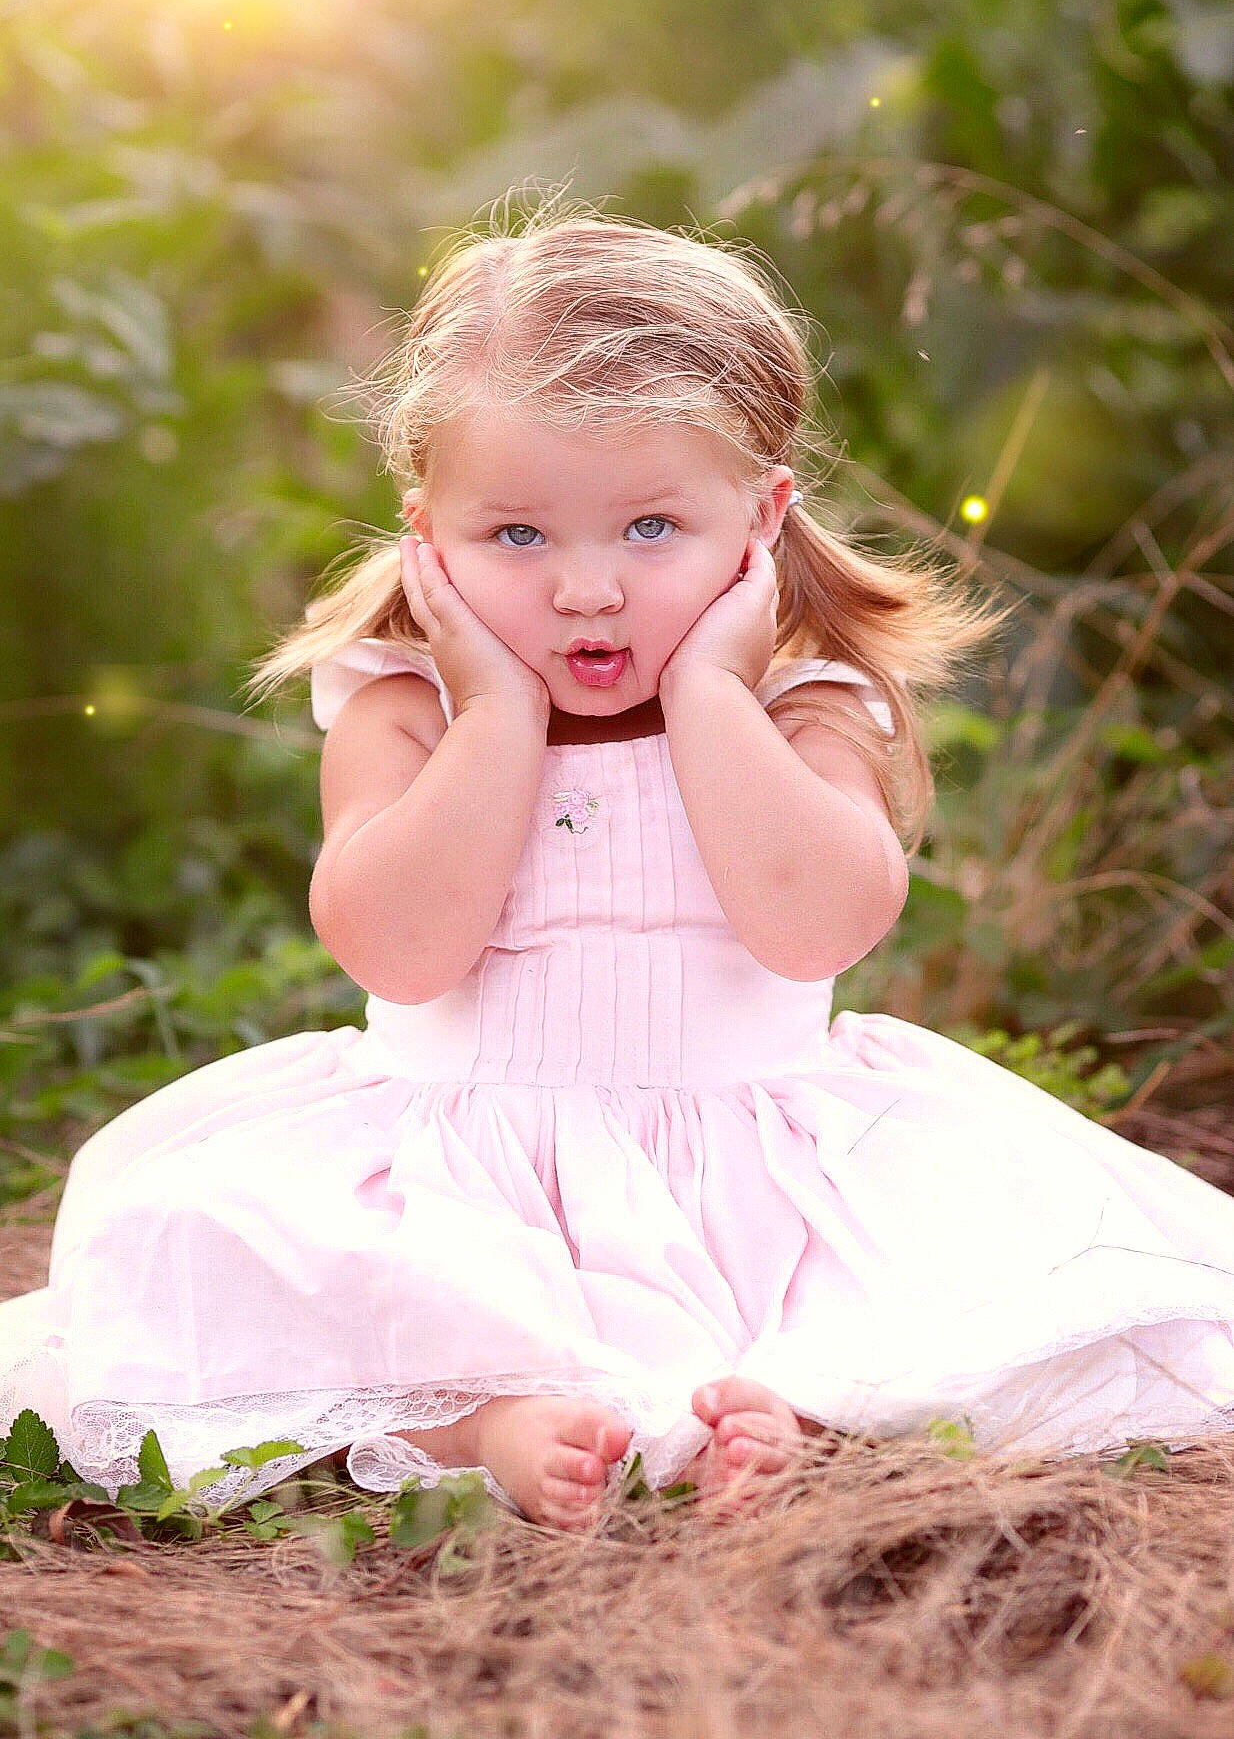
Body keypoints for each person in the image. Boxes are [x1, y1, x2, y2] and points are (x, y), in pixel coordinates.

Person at [3, 199, 1234, 1533]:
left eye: (650, 529)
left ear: (761, 520)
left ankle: (790, 1405)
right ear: (427, 534)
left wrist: (712, 689)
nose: (585, 591)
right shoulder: (403, 710)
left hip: (757, 1168)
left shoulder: (802, 704)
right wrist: (496, 716)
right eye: (516, 537)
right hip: (461, 1176)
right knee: (192, 1235)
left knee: (963, 1278)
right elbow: (399, 951)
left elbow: (816, 926)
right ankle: (486, 1413)